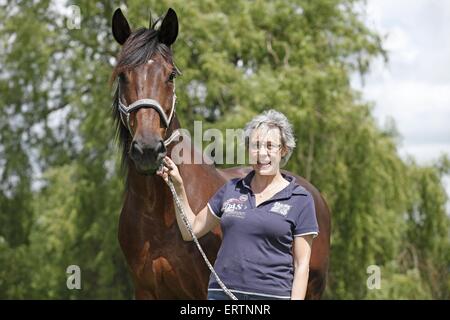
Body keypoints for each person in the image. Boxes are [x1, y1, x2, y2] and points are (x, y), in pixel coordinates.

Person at [157, 109, 319, 300]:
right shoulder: (231, 189)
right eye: (256, 145)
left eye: (270, 146)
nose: (262, 153)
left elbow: (301, 266)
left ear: (283, 150)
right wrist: (179, 186)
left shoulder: (300, 199)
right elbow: (190, 229)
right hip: (222, 295)